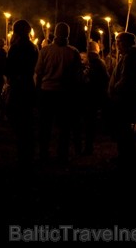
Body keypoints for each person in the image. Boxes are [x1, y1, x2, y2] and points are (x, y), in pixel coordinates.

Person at [34, 21, 82, 165]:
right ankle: (62, 155)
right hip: (65, 94)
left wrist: (37, 91)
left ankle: (44, 154)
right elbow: (77, 75)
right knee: (64, 127)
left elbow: (38, 72)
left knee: (45, 126)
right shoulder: (73, 52)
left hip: (47, 92)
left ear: (55, 33)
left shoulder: (45, 51)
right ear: (68, 34)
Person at [107, 31, 136, 170]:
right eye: (116, 41)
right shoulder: (127, 55)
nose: (116, 44)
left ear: (127, 42)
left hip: (124, 99)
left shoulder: (130, 57)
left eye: (119, 41)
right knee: (123, 128)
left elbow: (126, 78)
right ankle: (124, 154)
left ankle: (126, 156)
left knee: (123, 128)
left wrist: (116, 89)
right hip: (122, 97)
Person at [4, 19, 39, 168]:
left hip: (19, 87)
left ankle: (22, 154)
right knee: (28, 121)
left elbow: (8, 68)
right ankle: (28, 153)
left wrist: (11, 78)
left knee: (19, 122)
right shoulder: (33, 47)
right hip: (29, 86)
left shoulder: (15, 48)